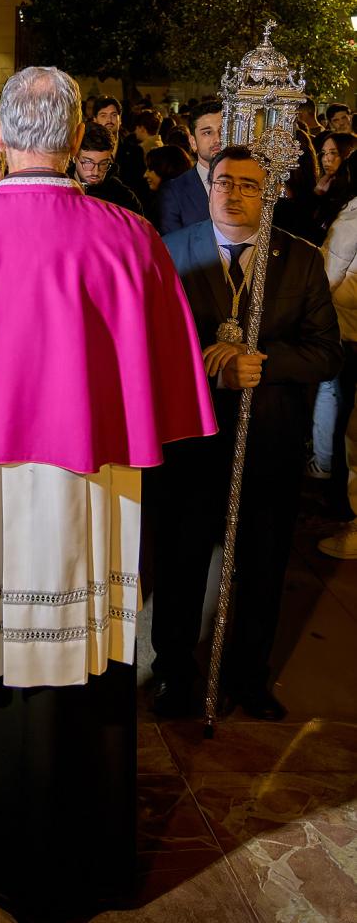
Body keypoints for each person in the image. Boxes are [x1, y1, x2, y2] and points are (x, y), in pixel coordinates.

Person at [0, 66, 215, 917]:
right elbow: (167, 364)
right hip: (83, 488)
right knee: (78, 657)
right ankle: (73, 865)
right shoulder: (128, 237)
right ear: (74, 142)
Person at [152, 146, 341, 722]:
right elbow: (149, 342)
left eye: (249, 185)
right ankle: (173, 674)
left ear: (271, 192)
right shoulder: (170, 252)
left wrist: (263, 360)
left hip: (270, 440)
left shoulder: (302, 260)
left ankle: (249, 676)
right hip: (191, 437)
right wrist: (211, 363)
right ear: (207, 186)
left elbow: (326, 352)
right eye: (223, 182)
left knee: (262, 562)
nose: (233, 194)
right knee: (180, 560)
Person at [159, 100, 222, 235]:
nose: (217, 139)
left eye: (223, 131)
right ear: (193, 142)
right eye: (207, 133)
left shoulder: (250, 185)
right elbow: (174, 248)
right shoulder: (174, 191)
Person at [70, 122, 143, 214]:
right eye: (88, 162)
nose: (96, 172)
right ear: (74, 158)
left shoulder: (125, 199)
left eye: (103, 163)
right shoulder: (61, 189)